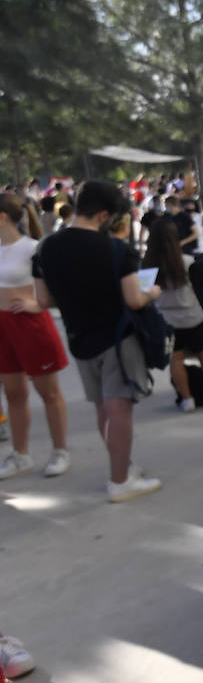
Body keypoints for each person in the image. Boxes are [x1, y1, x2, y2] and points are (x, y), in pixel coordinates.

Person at [33, 180, 163, 502]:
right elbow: (133, 299)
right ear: (104, 214)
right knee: (119, 408)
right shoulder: (117, 250)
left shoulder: (46, 248)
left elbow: (44, 299)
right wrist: (153, 293)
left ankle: (123, 466)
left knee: (103, 409)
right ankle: (120, 480)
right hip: (118, 338)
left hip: (80, 338)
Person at [0, 194, 69, 479]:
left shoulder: (34, 248)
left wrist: (36, 304)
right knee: (14, 393)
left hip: (31, 325)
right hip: (3, 327)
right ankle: (21, 455)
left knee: (49, 393)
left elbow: (61, 286)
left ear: (2, 217)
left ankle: (60, 451)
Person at [141, 218, 203, 412]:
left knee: (176, 360)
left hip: (166, 321)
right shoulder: (187, 262)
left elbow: (143, 295)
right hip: (192, 317)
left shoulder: (147, 265)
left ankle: (187, 399)